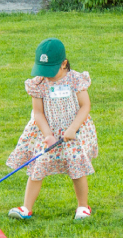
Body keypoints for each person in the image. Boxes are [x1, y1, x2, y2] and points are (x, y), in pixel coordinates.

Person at [6, 38, 98, 222]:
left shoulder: (75, 80)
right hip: (46, 130)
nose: (46, 75)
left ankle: (83, 206)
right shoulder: (39, 83)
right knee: (37, 166)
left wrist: (72, 128)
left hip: (74, 132)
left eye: (50, 70)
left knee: (77, 167)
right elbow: (38, 113)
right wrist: (48, 135)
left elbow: (85, 106)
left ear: (64, 64)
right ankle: (26, 208)